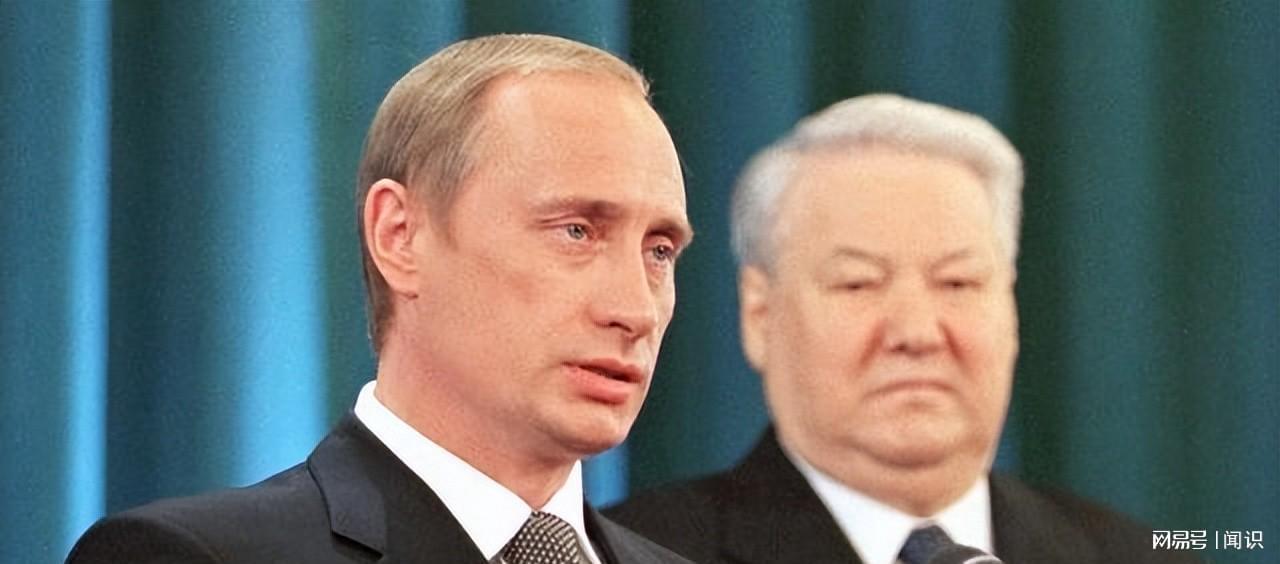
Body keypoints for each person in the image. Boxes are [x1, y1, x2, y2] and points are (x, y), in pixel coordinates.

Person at [68, 34, 695, 564]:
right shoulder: (190, 554)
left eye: (659, 251)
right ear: (400, 236)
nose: (635, 311)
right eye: (576, 231)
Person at [607, 94, 1200, 564]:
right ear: (759, 314)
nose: (917, 333)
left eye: (958, 283)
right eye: (859, 284)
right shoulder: (636, 553)